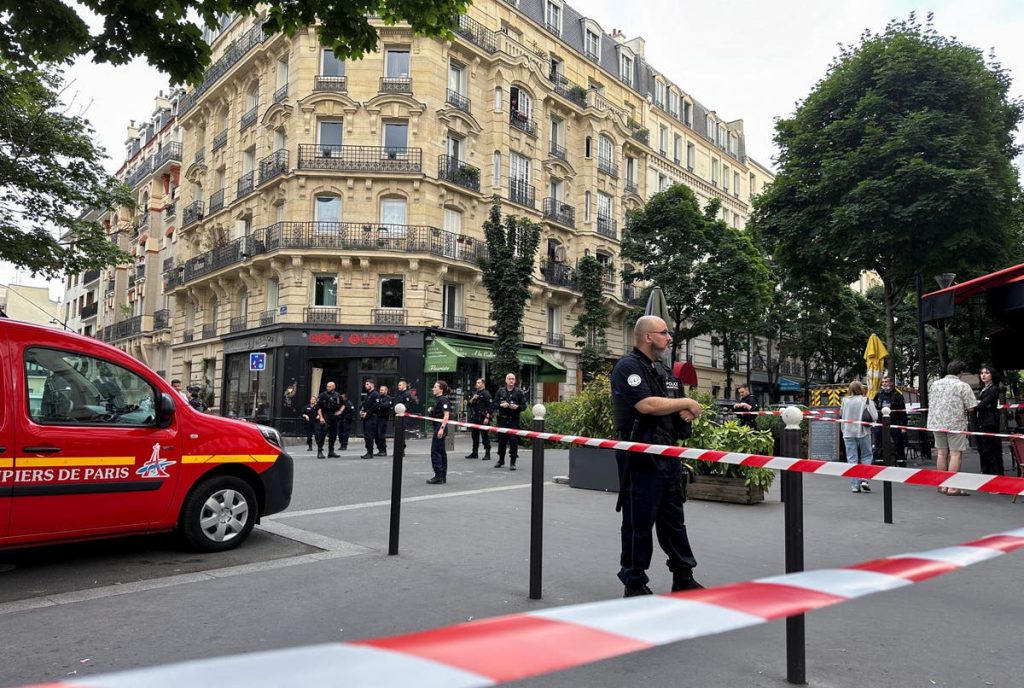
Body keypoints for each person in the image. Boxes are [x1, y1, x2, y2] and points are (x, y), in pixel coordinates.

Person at [611, 315, 703, 598]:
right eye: (664, 332)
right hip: (640, 455)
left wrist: (684, 410)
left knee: (673, 519)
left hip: (667, 453)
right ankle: (635, 583)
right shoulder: (628, 367)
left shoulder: (662, 370)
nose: (669, 337)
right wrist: (686, 402)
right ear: (647, 336)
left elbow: (670, 404)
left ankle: (683, 576)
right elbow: (647, 404)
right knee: (639, 522)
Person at [927, 360, 978, 495]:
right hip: (955, 423)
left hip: (936, 422)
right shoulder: (962, 385)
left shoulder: (935, 384)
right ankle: (953, 487)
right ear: (960, 373)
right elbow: (971, 407)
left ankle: (942, 485)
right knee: (955, 454)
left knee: (941, 453)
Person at [840, 380, 877, 493]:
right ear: (861, 388)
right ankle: (864, 479)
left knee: (852, 458)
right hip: (863, 432)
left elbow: (841, 414)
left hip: (848, 432)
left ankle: (854, 486)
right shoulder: (866, 400)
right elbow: (874, 416)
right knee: (866, 455)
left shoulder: (845, 401)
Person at [974, 364, 1004, 476]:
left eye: (987, 373)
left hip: (990, 422)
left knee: (992, 450)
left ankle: (996, 476)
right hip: (980, 422)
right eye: (982, 373)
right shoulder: (982, 389)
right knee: (982, 450)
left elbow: (983, 404)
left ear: (992, 375)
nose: (983, 375)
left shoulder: (994, 389)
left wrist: (976, 405)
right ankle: (986, 474)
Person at [492, 372, 526, 470]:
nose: (511, 381)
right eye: (509, 379)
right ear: (506, 380)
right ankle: (501, 460)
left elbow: (524, 406)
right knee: (502, 441)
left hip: (514, 420)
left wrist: (517, 407)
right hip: (503, 419)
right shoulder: (500, 391)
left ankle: (513, 462)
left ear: (515, 381)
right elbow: (494, 404)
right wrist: (500, 405)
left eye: (513, 379)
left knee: (513, 442)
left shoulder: (519, 392)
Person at [872, 376, 907, 466]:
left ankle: (901, 461)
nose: (884, 384)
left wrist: (903, 426)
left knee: (898, 442)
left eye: (886, 382)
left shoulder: (898, 395)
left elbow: (903, 411)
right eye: (883, 382)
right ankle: (878, 460)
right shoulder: (878, 395)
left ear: (891, 383)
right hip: (881, 422)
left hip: (894, 422)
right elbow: (873, 407)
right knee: (878, 441)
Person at [426, 380, 452, 485]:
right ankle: (442, 476)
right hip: (438, 426)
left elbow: (446, 415)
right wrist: (432, 410)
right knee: (441, 452)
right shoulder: (439, 400)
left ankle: (438, 476)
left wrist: (441, 428)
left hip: (440, 427)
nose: (433, 388)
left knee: (435, 451)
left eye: (435, 387)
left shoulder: (443, 400)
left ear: (441, 389)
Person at [464, 378, 493, 460]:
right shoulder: (475, 393)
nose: (477, 384)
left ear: (483, 384)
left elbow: (490, 406)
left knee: (485, 436)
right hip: (475, 417)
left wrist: (487, 417)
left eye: (479, 383)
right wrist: (473, 398)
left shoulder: (486, 394)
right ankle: (474, 453)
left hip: (483, 417)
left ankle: (487, 453)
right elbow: (469, 405)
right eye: (476, 382)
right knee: (474, 435)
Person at [315, 381, 342, 459]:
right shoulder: (323, 395)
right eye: (327, 386)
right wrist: (321, 417)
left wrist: (340, 411)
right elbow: (318, 407)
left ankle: (331, 451)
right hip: (325, 416)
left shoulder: (337, 395)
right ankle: (319, 451)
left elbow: (344, 404)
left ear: (334, 387)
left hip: (334, 417)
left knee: (333, 435)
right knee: (322, 435)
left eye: (329, 386)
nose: (328, 388)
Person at [360, 379, 381, 459]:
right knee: (366, 435)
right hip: (366, 417)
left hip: (372, 418)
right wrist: (361, 410)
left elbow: (376, 406)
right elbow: (364, 404)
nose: (366, 386)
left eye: (367, 384)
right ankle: (368, 451)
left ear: (372, 385)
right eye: (365, 384)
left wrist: (367, 413)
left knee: (369, 435)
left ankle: (370, 452)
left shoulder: (375, 394)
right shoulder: (368, 394)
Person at [375, 384, 393, 456]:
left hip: (383, 418)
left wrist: (379, 404)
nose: (381, 391)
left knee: (381, 435)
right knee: (376, 435)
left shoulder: (388, 398)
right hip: (376, 417)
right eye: (380, 390)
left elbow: (385, 406)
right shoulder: (378, 397)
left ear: (386, 391)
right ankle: (379, 449)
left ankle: (383, 450)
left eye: (382, 390)